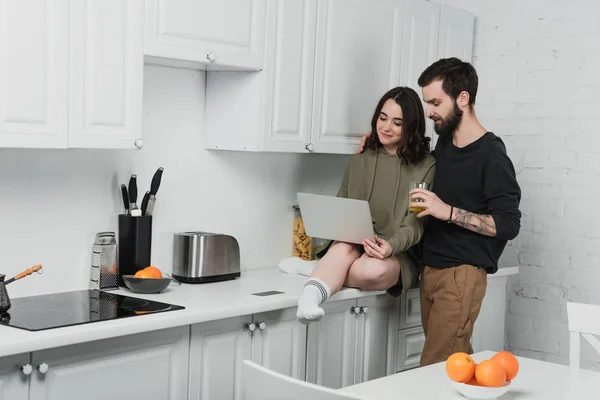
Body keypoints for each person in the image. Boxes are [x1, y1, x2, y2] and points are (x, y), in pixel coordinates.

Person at [358, 58, 522, 366]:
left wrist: (446, 211)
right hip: (430, 270)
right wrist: (379, 144)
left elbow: (509, 223)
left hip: (462, 274)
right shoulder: (444, 144)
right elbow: (413, 163)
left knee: (433, 368)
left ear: (463, 98)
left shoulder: (491, 154)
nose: (429, 111)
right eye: (427, 102)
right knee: (455, 366)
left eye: (435, 102)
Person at [295, 86, 436, 325]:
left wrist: (390, 247)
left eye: (397, 123)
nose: (386, 127)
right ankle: (308, 299)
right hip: (353, 243)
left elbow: (415, 223)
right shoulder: (360, 158)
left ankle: (321, 273)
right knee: (342, 250)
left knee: (372, 272)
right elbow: (341, 206)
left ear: (411, 127)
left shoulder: (426, 165)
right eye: (382, 118)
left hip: (395, 252)